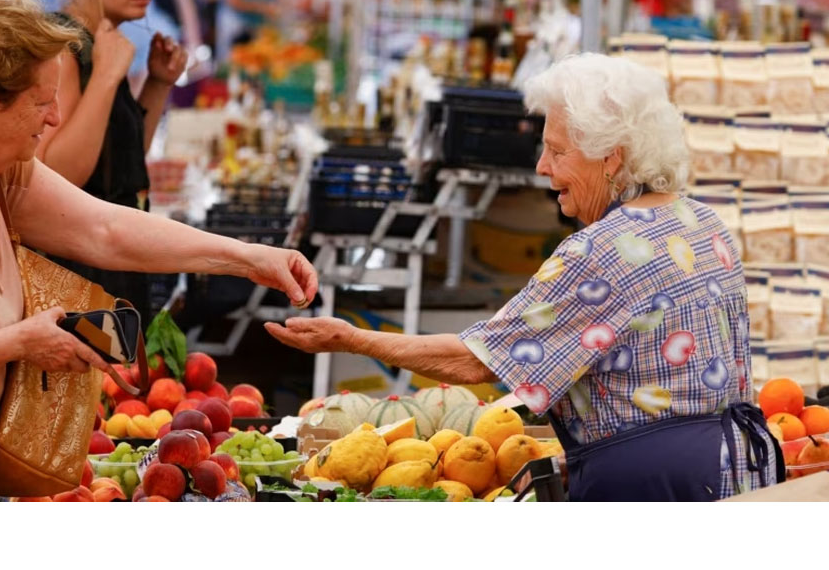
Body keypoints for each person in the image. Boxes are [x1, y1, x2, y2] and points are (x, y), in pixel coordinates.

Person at [0, 0, 318, 501]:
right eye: (42, 102)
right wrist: (22, 341)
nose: (53, 118)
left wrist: (250, 258)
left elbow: (105, 230)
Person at [267, 52, 782, 502]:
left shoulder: (599, 251)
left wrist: (354, 340)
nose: (540, 167)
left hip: (649, 486)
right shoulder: (703, 221)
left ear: (612, 158)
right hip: (735, 470)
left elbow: (474, 361)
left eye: (557, 151)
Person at [41, 0, 189, 317]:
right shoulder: (62, 49)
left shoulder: (102, 43)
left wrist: (157, 84)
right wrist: (106, 77)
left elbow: (119, 165)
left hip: (113, 265)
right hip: (80, 279)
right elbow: (55, 177)